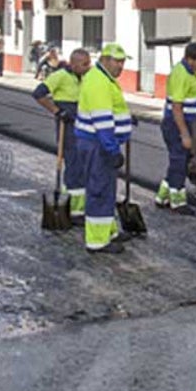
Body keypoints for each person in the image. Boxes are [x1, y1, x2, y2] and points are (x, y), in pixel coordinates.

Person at [74, 43, 133, 254]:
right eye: (117, 61)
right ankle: (97, 241)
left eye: (123, 62)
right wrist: (112, 149)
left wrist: (125, 120)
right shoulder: (98, 81)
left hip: (98, 143)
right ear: (105, 60)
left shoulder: (103, 78)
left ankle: (108, 231)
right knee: (99, 190)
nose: (121, 66)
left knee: (106, 189)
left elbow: (110, 111)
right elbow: (102, 120)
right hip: (98, 145)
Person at [33, 48, 92, 223]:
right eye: (84, 64)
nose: (88, 67)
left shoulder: (86, 77)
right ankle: (74, 211)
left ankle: (78, 206)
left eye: (89, 63)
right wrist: (57, 111)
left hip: (83, 126)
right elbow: (38, 94)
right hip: (67, 127)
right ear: (73, 64)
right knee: (74, 165)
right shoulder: (59, 76)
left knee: (83, 165)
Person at [156, 42, 196, 214]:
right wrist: (185, 134)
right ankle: (177, 202)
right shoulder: (181, 74)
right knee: (179, 162)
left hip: (183, 122)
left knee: (177, 160)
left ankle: (162, 197)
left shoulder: (190, 73)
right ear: (190, 59)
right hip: (176, 124)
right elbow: (177, 107)